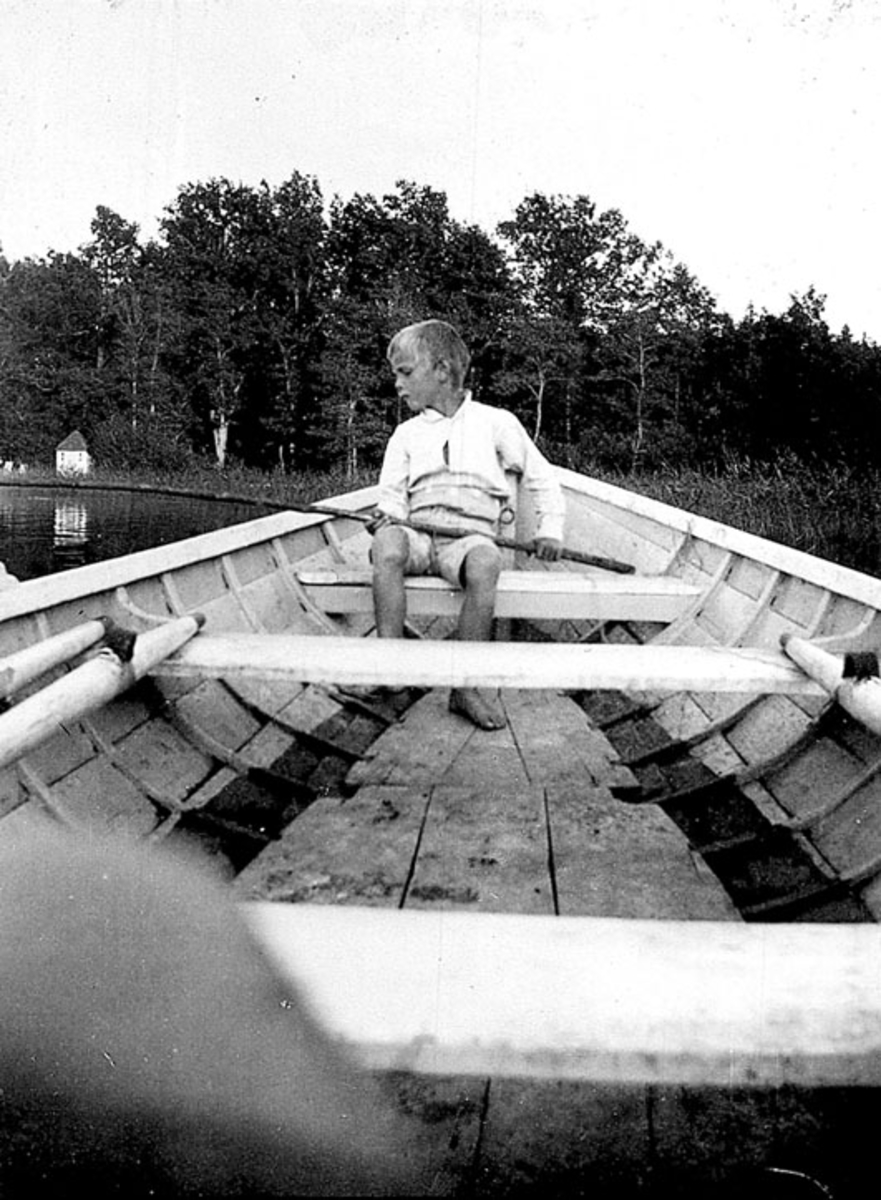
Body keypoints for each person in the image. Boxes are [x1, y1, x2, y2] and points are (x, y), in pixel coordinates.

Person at [367, 319, 566, 731]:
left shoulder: (495, 422)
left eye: (405, 373)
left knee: (486, 563)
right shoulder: (405, 435)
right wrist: (386, 517)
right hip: (418, 533)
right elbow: (391, 496)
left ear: (441, 371)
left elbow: (541, 477)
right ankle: (390, 670)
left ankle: (465, 685)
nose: (397, 385)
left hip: (470, 536)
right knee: (385, 545)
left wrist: (550, 529)